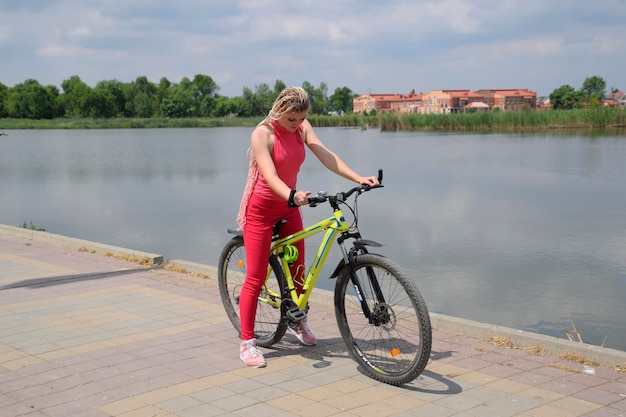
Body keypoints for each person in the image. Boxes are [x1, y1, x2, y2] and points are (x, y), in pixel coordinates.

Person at [236, 86, 379, 368]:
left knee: (299, 272)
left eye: (302, 119)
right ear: (279, 111)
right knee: (254, 276)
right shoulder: (262, 134)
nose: (298, 124)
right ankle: (247, 343)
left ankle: (296, 321)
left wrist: (357, 177)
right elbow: (270, 175)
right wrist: (291, 194)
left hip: (289, 208)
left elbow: (327, 155)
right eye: (292, 120)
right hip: (262, 210)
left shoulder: (302, 127)